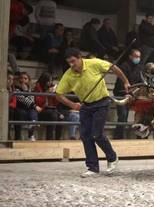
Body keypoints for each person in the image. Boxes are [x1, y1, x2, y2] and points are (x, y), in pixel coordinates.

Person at [55, 48, 131, 177]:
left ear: (80, 57)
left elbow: (113, 67)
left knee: (96, 134)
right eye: (69, 63)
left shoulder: (94, 63)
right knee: (85, 136)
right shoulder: (68, 75)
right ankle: (92, 167)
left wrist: (125, 81)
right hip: (85, 105)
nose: (72, 65)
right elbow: (58, 94)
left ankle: (112, 158)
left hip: (101, 102)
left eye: (73, 61)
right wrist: (72, 104)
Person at [113, 49, 144, 139]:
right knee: (123, 115)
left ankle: (140, 135)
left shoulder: (140, 67)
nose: (138, 58)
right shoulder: (124, 66)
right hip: (122, 94)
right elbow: (120, 83)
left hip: (135, 94)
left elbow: (141, 81)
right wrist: (127, 93)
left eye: (139, 57)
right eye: (136, 56)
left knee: (142, 114)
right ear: (130, 56)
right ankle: (118, 136)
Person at [33, 73, 59, 140]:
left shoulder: (51, 87)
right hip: (39, 111)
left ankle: (56, 138)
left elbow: (56, 104)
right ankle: (50, 138)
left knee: (57, 115)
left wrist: (55, 94)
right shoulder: (38, 87)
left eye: (51, 81)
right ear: (44, 80)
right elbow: (38, 102)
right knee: (53, 115)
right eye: (49, 81)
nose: (50, 83)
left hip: (50, 110)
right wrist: (47, 93)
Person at [14, 72, 39, 141]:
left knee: (33, 111)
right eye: (21, 78)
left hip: (29, 109)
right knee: (20, 113)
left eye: (25, 78)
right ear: (19, 79)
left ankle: (31, 134)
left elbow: (32, 100)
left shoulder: (30, 90)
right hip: (20, 108)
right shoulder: (16, 89)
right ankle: (18, 136)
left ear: (28, 80)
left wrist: (26, 91)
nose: (23, 80)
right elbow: (23, 100)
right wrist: (33, 105)